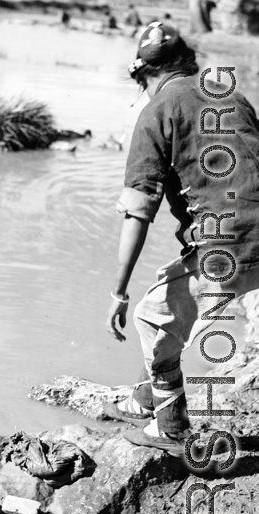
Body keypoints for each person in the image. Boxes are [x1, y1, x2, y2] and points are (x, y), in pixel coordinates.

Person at [103, 21, 259, 456]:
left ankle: (169, 427)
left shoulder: (157, 111)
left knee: (150, 316)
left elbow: (138, 212)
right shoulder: (231, 96)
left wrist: (118, 290)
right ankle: (143, 398)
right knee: (168, 295)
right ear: (188, 61)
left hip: (229, 246)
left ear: (143, 76)